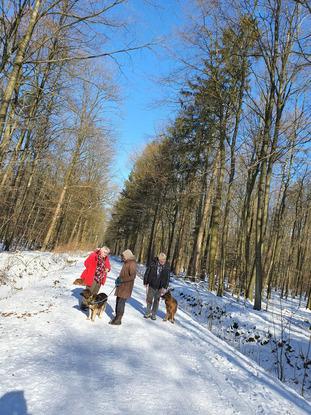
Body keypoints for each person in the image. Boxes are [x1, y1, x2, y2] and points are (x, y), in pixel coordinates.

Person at [109, 249, 137, 325]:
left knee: (121, 303)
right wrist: (119, 278)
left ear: (127, 256)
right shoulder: (127, 262)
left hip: (126, 288)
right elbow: (124, 273)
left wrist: (122, 279)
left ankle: (118, 320)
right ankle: (116, 317)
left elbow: (133, 276)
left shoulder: (132, 263)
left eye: (123, 256)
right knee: (118, 302)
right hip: (121, 286)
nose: (122, 257)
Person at [143, 253, 170, 320]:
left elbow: (167, 278)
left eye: (164, 260)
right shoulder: (153, 263)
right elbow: (147, 272)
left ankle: (154, 314)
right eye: (161, 260)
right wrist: (145, 282)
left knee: (156, 301)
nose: (163, 261)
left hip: (160, 287)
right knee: (149, 299)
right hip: (152, 284)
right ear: (158, 259)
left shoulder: (167, 266)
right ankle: (148, 312)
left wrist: (165, 287)